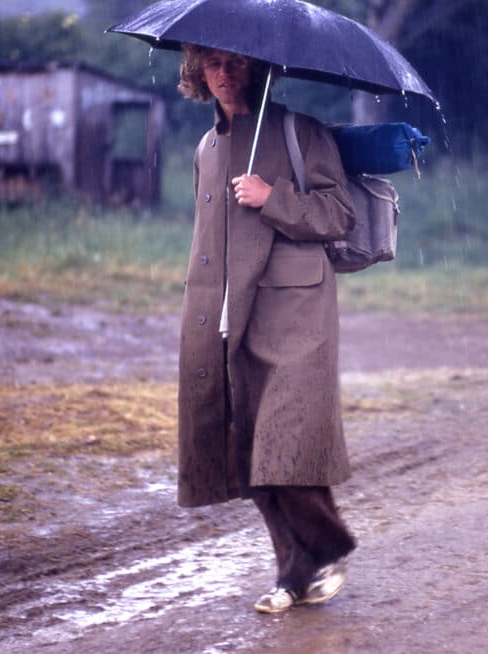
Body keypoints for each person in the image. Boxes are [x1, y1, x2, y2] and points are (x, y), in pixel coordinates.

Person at [176, 45, 358, 614]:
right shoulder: (205, 149)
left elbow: (338, 214)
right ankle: (293, 569)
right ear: (197, 73)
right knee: (249, 447)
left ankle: (324, 546)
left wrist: (271, 197)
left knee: (287, 442)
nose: (224, 75)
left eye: (234, 63)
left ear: (256, 67)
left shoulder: (301, 132)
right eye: (212, 65)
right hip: (229, 313)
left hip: (297, 313)